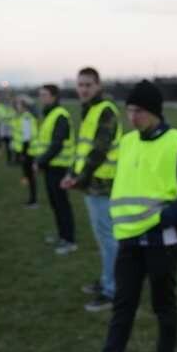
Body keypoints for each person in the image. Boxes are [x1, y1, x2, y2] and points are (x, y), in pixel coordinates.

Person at [69, 80, 177, 352]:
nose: (132, 117)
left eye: (139, 111)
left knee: (163, 304)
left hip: (162, 239)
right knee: (123, 304)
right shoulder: (128, 142)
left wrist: (161, 219)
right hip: (129, 238)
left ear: (154, 111)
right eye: (129, 110)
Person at [60, 67, 122, 312]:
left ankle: (112, 289)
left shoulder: (104, 110)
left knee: (108, 240)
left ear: (98, 86)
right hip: (93, 185)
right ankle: (107, 280)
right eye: (80, 85)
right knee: (104, 239)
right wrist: (72, 174)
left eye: (88, 84)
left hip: (103, 186)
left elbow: (99, 151)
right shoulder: (90, 109)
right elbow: (83, 149)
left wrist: (79, 180)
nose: (83, 89)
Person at [34, 84, 77, 255]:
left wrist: (40, 162)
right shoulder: (50, 114)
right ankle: (62, 235)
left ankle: (70, 241)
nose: (41, 98)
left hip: (59, 168)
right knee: (55, 204)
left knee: (62, 205)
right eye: (40, 95)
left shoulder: (60, 116)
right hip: (51, 167)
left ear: (54, 97)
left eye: (44, 95)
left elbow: (57, 145)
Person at [13, 94, 39, 207]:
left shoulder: (26, 118)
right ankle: (32, 199)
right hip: (25, 151)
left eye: (18, 104)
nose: (16, 106)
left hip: (28, 152)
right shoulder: (22, 117)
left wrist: (23, 154)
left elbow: (27, 138)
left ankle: (33, 201)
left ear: (24, 106)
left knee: (30, 176)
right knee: (28, 176)